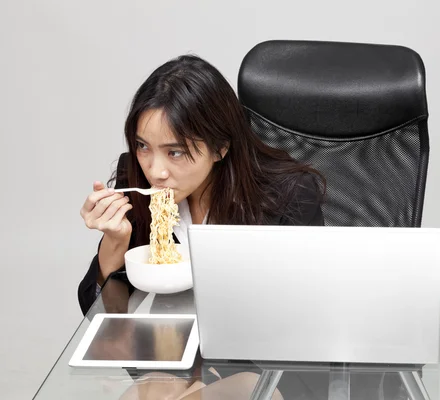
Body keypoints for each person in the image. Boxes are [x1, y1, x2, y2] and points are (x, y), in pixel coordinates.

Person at [77, 54, 324, 399]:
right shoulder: (133, 180)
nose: (155, 170)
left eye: (175, 152)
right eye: (143, 146)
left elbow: (307, 321)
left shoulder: (288, 196)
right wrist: (113, 248)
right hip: (171, 354)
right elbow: (109, 324)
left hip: (268, 367)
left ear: (220, 147)